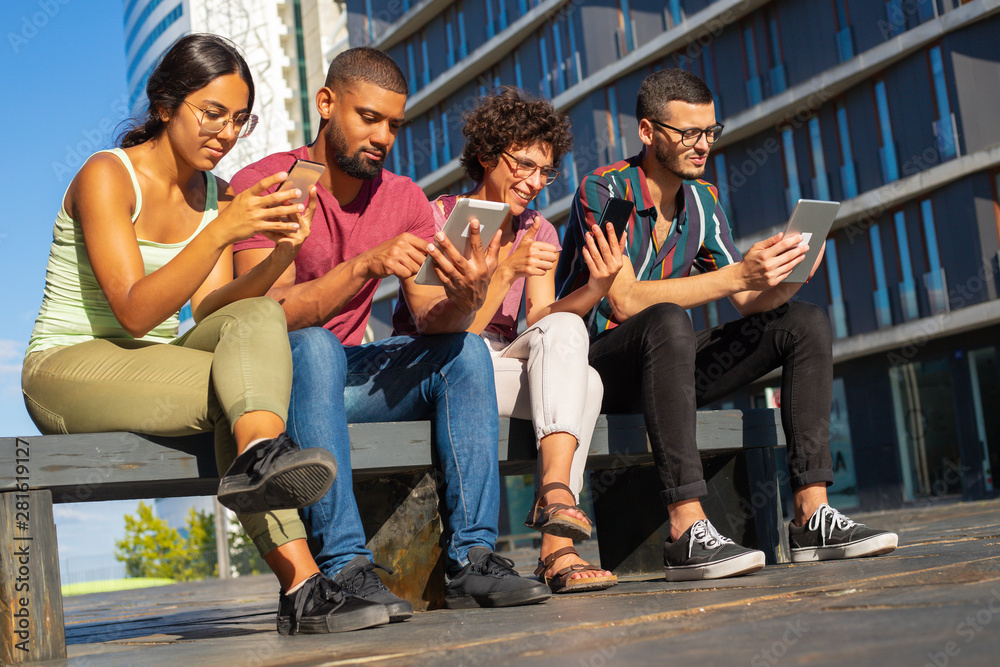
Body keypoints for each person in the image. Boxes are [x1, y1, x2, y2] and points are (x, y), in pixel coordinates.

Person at [21, 34, 391, 635]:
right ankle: (295, 561)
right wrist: (219, 233)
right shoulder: (107, 176)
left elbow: (214, 307)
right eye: (211, 113)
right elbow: (136, 311)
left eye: (239, 121)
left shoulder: (215, 196)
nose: (225, 133)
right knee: (236, 392)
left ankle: (279, 519)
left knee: (260, 316)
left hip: (153, 364)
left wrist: (277, 257)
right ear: (166, 104)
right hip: (67, 368)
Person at [231, 48, 551, 614]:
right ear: (326, 104)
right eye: (368, 118)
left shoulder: (404, 198)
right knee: (315, 345)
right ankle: (346, 567)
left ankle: (473, 558)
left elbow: (432, 321)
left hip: (351, 377)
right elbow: (260, 316)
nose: (382, 137)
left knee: (465, 353)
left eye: (394, 125)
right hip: (275, 384)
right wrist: (360, 267)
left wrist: (467, 293)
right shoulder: (267, 183)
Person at [554, 68, 898, 581]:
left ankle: (811, 516)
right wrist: (741, 272)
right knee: (665, 320)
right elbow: (623, 301)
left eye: (710, 132)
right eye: (688, 133)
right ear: (648, 132)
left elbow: (745, 299)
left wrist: (787, 278)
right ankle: (686, 528)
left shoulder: (703, 201)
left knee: (802, 322)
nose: (702, 145)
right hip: (601, 373)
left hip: (667, 365)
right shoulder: (606, 190)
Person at [393, 88, 620, 593]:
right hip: (440, 364)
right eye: (524, 165)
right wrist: (503, 272)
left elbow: (544, 320)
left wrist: (594, 290)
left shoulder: (538, 228)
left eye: (545, 172)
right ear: (487, 155)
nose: (535, 182)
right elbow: (448, 331)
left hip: (497, 362)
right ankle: (559, 546)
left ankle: (554, 508)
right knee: (582, 385)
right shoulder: (442, 218)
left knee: (586, 374)